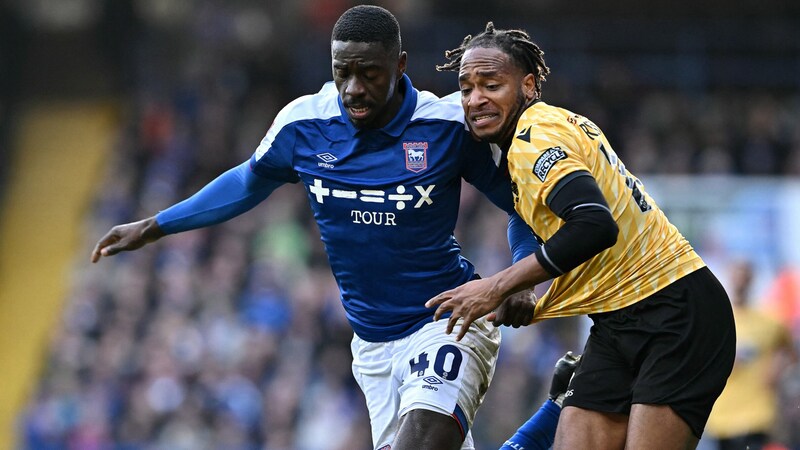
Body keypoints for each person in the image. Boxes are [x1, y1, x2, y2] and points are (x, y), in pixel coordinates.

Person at [90, 6, 539, 450]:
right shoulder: (304, 123)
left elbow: (520, 202)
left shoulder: (445, 126)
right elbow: (247, 182)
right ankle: (548, 423)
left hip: (448, 321)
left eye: (370, 74)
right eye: (343, 72)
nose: (354, 88)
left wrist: (517, 278)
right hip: (373, 347)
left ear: (400, 65)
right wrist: (156, 225)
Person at [426, 22, 737, 449]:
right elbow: (524, 214)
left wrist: (495, 287)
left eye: (491, 85)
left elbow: (593, 224)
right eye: (466, 88)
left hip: (675, 310)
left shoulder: (535, 139)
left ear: (529, 85)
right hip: (617, 321)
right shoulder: (531, 135)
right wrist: (524, 278)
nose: (475, 99)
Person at [705, 260, 797, 450]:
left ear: (752, 279)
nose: (740, 281)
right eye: (736, 275)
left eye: (745, 275)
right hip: (721, 418)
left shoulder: (769, 319)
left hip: (757, 415)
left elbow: (790, 350)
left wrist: (778, 367)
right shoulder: (716, 318)